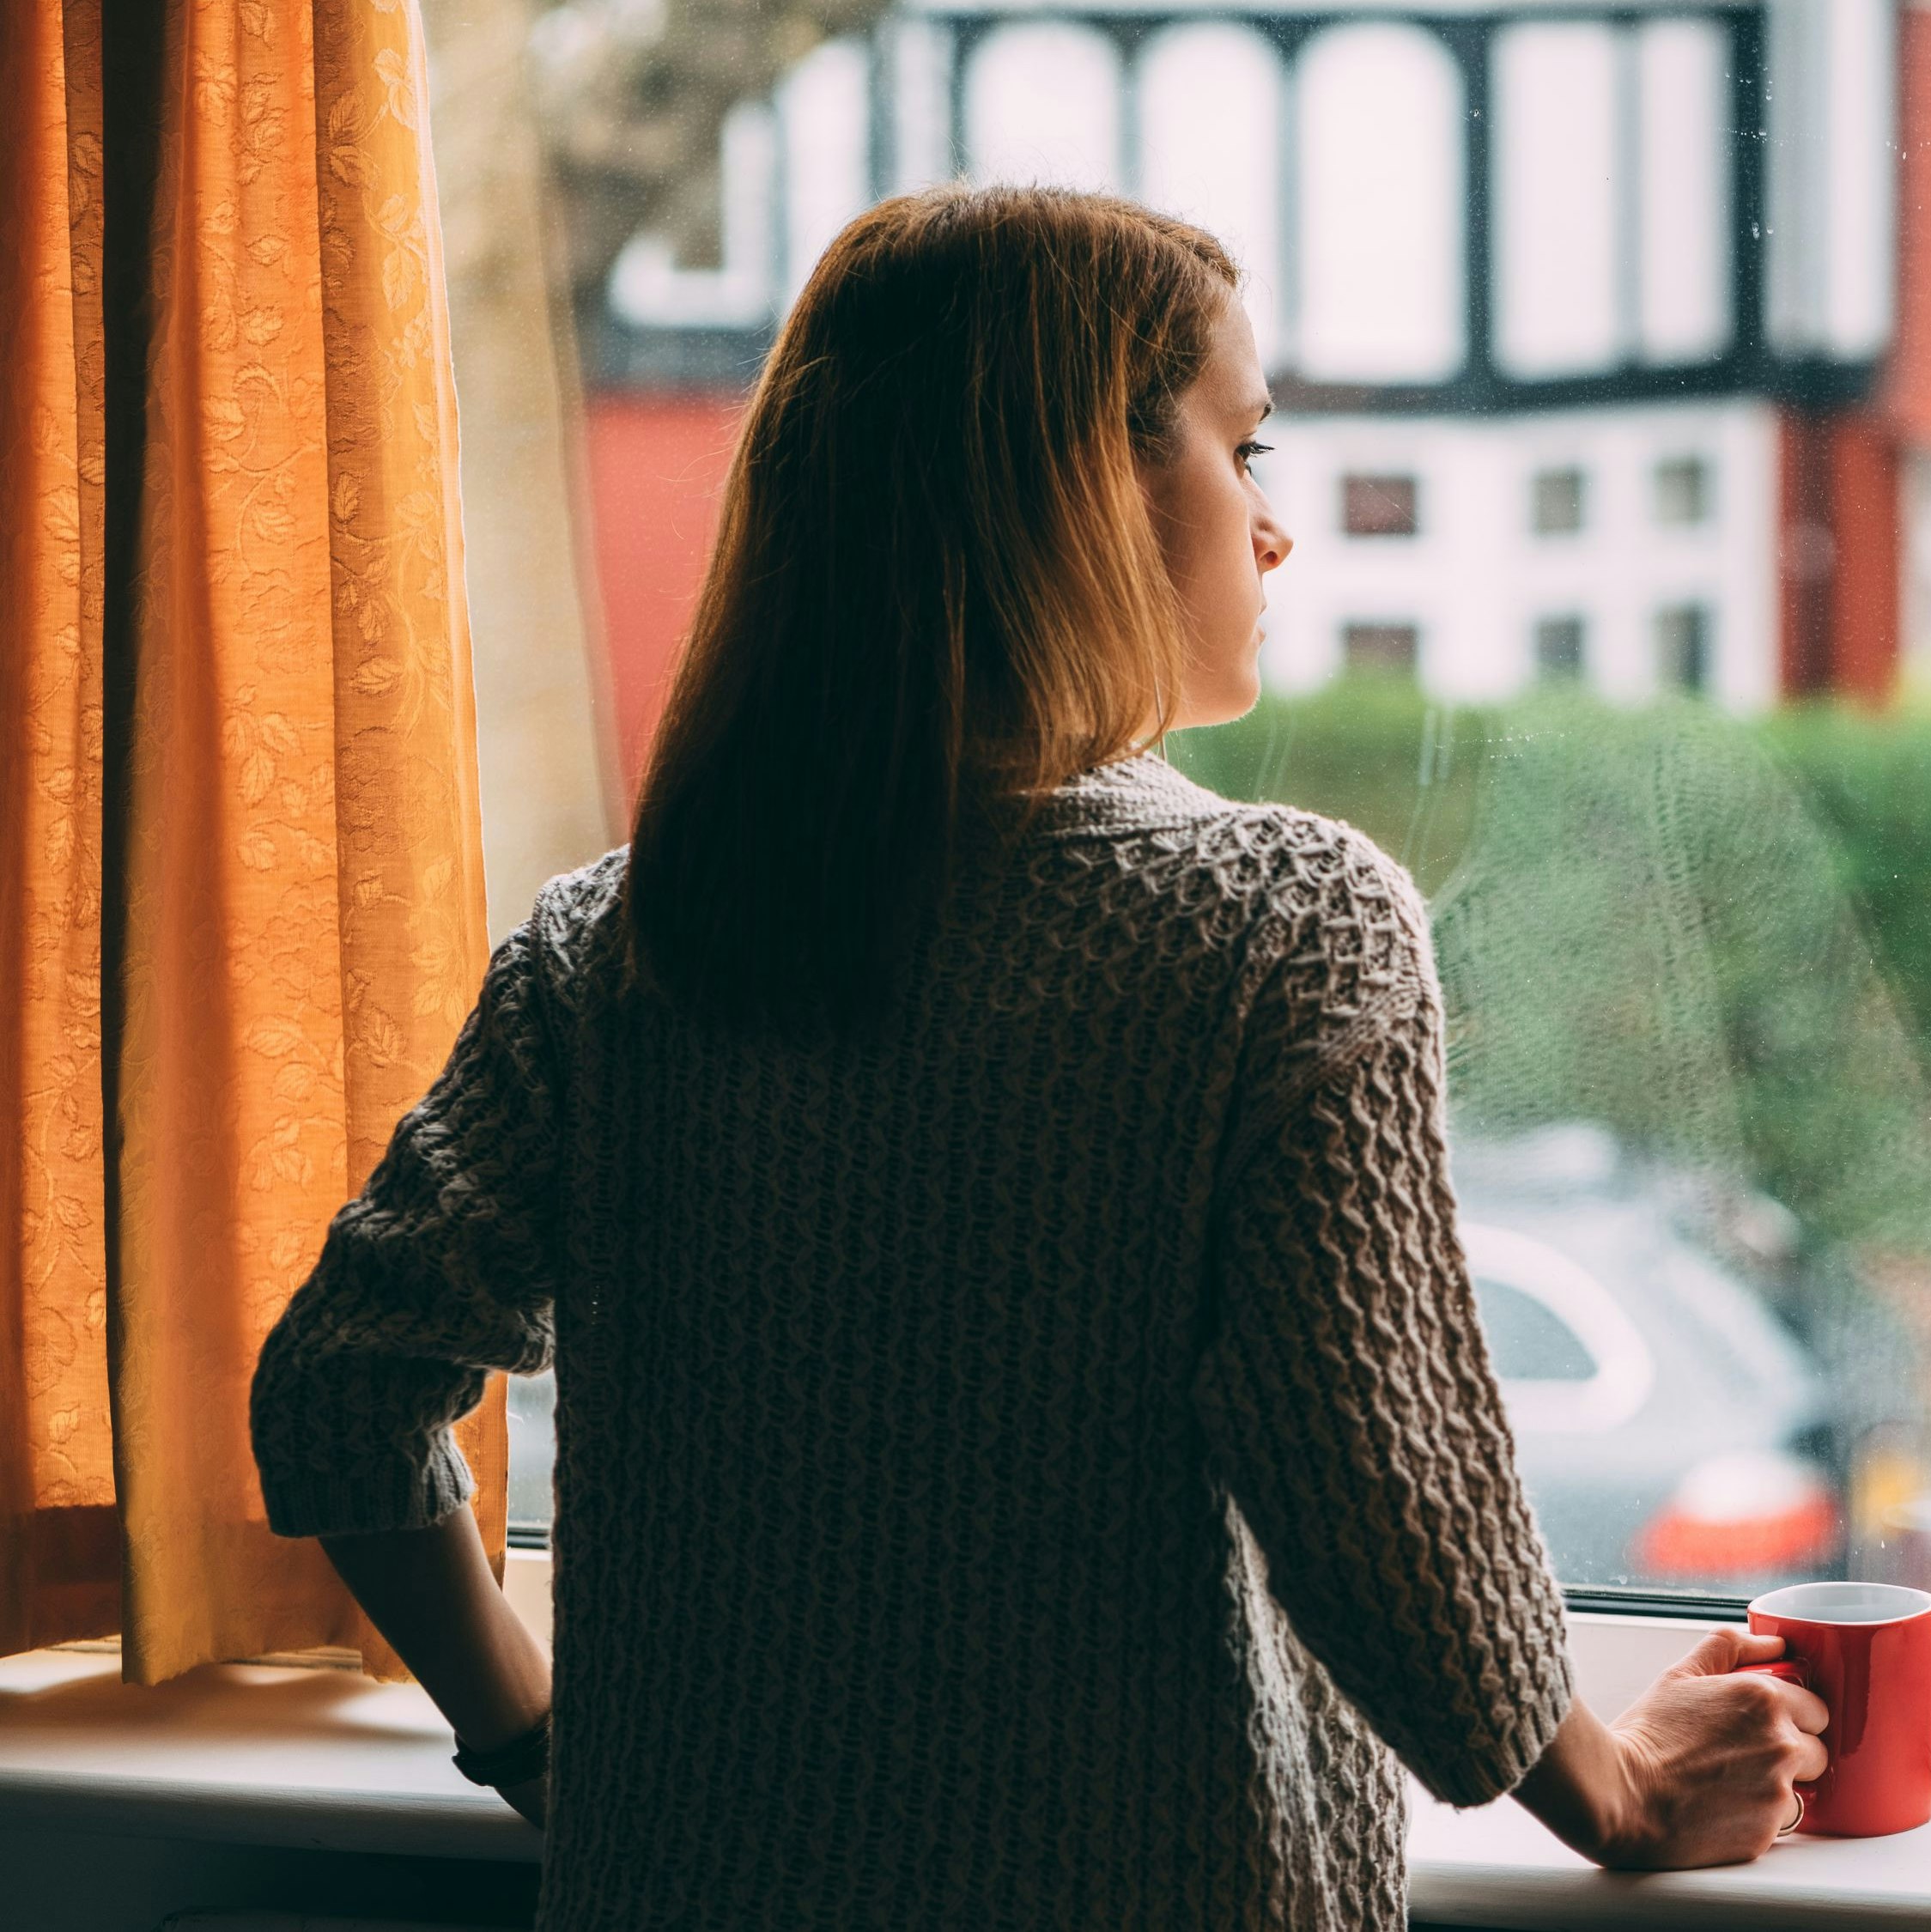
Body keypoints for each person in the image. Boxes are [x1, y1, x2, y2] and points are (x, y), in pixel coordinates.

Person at [245, 184, 1828, 1930]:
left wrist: (542, 1748)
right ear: (1088, 483)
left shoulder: (620, 947)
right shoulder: (1276, 925)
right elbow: (1379, 1487)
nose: (1276, 530)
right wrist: (1613, 1788)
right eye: (1247, 448)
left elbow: (340, 1386)